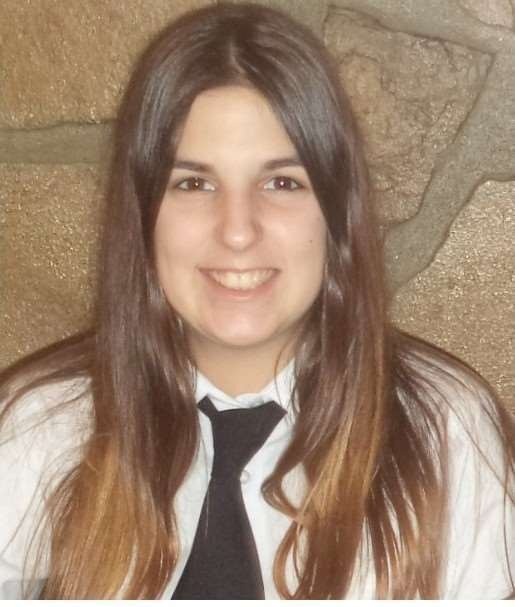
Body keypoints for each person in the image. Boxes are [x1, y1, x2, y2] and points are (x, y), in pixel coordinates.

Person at [0, 2, 514, 600]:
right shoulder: (38, 425)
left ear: (335, 215)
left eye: (282, 182)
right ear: (143, 216)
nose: (238, 231)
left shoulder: (446, 432)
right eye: (194, 183)